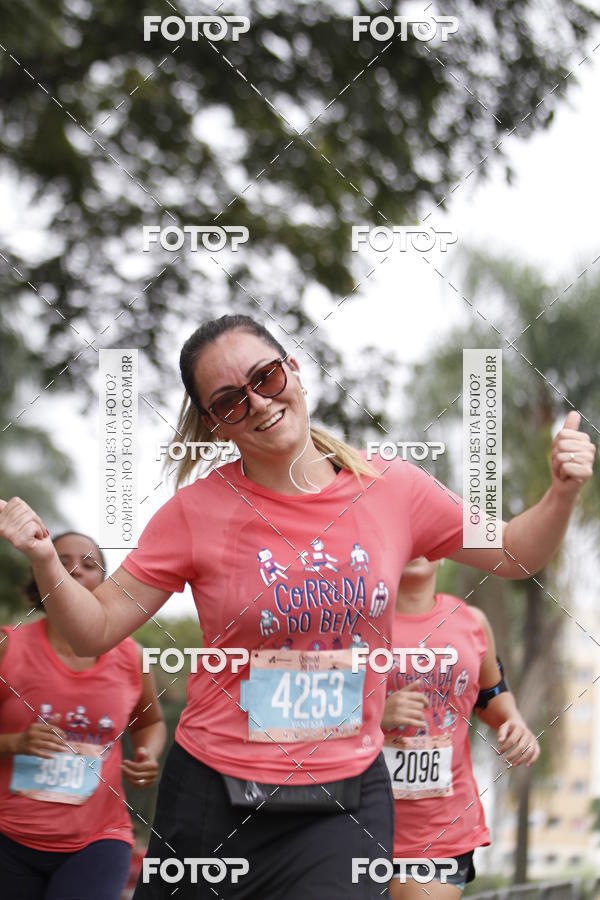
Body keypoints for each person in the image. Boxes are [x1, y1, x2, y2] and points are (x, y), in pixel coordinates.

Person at [0, 314, 594, 900]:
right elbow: (93, 630)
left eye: (266, 378)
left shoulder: (393, 490)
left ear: (296, 371)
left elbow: (515, 553)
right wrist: (47, 560)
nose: (257, 403)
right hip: (213, 793)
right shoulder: (195, 512)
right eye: (231, 400)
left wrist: (562, 492)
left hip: (341, 800)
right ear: (214, 426)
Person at [0, 532, 167, 900]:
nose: (75, 571)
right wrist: (15, 742)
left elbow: (150, 723)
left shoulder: (131, 657)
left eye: (89, 565)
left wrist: (147, 755)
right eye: (61, 560)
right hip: (8, 838)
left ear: (104, 587)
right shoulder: (7, 646)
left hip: (98, 840)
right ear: (38, 574)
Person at [382, 557, 539, 900]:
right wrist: (373, 714)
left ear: (440, 550)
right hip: (350, 825)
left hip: (439, 833)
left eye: (427, 532)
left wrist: (514, 724)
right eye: (409, 532)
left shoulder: (471, 623)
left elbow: (492, 696)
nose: (418, 544)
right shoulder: (352, 622)